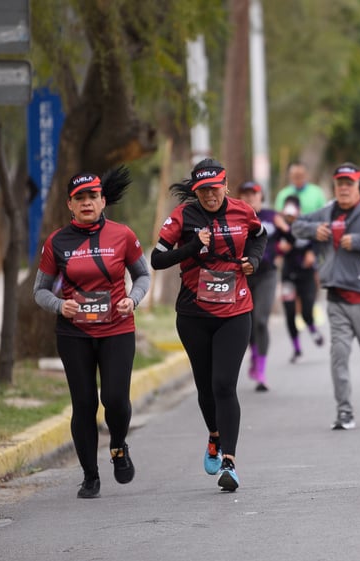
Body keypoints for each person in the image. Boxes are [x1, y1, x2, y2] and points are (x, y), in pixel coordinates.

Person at [150, 158, 267, 492]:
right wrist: (191, 246)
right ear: (196, 191)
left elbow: (261, 236)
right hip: (193, 315)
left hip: (235, 310)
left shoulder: (243, 211)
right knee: (204, 387)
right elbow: (157, 259)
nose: (210, 196)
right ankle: (214, 437)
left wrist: (254, 261)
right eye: (203, 191)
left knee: (224, 384)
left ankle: (229, 461)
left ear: (225, 186)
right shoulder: (182, 217)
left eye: (215, 188)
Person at [33, 167, 150, 499]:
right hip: (74, 334)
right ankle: (90, 475)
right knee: (83, 403)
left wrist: (133, 299)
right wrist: (60, 306)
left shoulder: (123, 235)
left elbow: (142, 276)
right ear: (70, 205)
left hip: (117, 328)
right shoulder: (57, 242)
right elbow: (39, 291)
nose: (87, 203)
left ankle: (117, 445)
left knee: (114, 398)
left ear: (103, 201)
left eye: (92, 197)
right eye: (79, 198)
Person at [292, 163, 360, 430]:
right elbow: (297, 226)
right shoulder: (328, 210)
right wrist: (314, 231)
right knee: (338, 356)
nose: (344, 189)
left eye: (349, 184)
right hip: (336, 298)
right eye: (340, 184)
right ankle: (344, 412)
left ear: (359, 184)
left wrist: (359, 240)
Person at [237, 181, 282, 392]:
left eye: (253, 195)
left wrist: (288, 236)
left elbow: (290, 236)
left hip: (267, 275)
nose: (249, 199)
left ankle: (261, 372)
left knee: (261, 321)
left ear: (260, 197)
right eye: (244, 195)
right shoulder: (234, 218)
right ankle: (254, 355)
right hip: (242, 275)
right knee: (248, 321)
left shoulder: (272, 216)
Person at [277, 195, 324, 363]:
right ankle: (296, 349)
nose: (290, 214)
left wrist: (313, 254)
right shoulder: (281, 227)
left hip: (307, 275)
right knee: (289, 312)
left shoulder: (307, 226)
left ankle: (312, 329)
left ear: (299, 210)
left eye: (293, 210)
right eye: (287, 210)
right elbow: (273, 246)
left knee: (306, 311)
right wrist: (280, 248)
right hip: (288, 275)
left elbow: (319, 242)